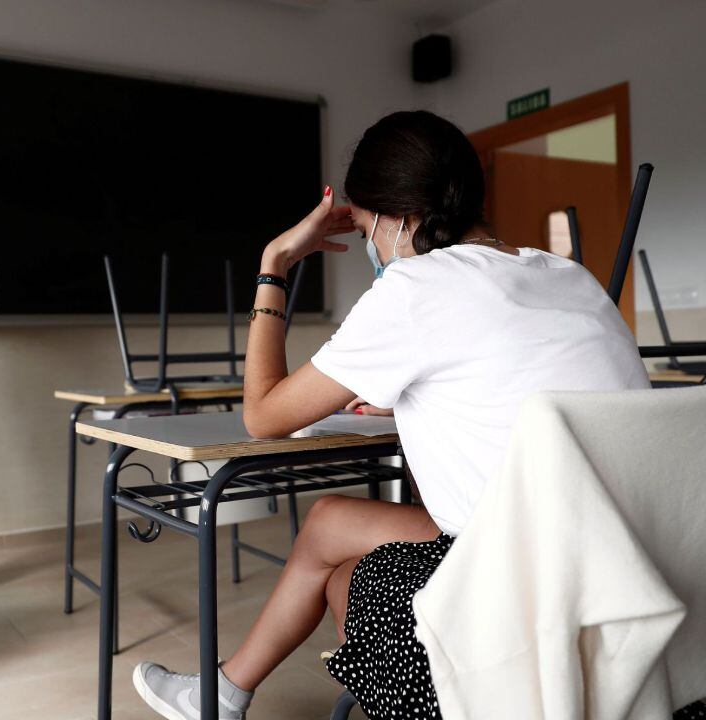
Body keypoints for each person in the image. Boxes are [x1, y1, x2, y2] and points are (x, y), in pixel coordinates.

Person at [132, 110, 649, 719]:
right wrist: (415, 391)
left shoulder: (417, 288)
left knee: (345, 577)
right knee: (329, 523)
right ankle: (220, 693)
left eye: (365, 228)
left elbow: (264, 415)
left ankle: (242, 697)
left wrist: (274, 267)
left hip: (533, 579)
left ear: (397, 218)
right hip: (623, 562)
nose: (372, 248)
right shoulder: (570, 276)